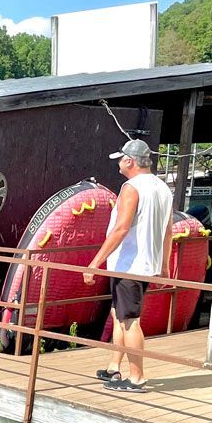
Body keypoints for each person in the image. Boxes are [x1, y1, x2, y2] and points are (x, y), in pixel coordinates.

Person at [84, 138, 173, 393]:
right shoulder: (162, 188)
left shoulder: (131, 187)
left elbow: (121, 228)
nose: (119, 164)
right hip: (146, 263)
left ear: (130, 161)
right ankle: (114, 366)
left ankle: (136, 378)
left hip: (129, 264)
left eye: (121, 160)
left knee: (130, 320)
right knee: (119, 314)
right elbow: (168, 231)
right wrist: (164, 265)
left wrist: (94, 263)